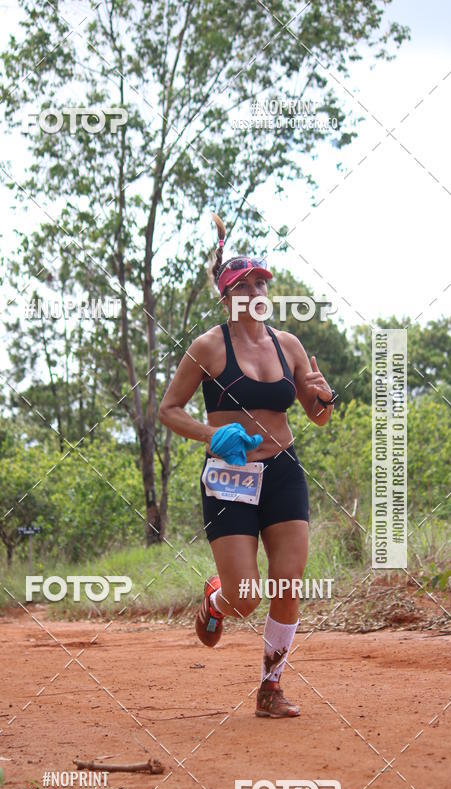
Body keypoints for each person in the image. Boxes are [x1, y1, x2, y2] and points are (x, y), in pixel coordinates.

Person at [158, 213, 336, 718]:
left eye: (263, 281)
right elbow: (167, 410)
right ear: (228, 294)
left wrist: (322, 398)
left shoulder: (289, 345)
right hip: (229, 477)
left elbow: (316, 416)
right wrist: (213, 434)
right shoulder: (208, 347)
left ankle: (270, 688)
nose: (258, 289)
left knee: (287, 581)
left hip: (282, 470)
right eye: (247, 283)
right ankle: (218, 601)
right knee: (246, 599)